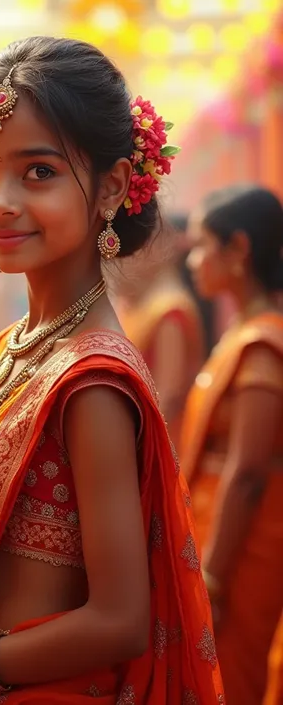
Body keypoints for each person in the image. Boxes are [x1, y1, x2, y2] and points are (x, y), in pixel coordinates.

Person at [0, 36, 223, 705]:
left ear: (111, 187)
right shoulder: (20, 343)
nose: (0, 201)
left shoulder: (89, 381)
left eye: (38, 172)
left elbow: (119, 620)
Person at [182, 185, 283, 705]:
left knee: (233, 681)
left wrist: (215, 581)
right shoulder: (244, 331)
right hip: (220, 533)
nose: (194, 260)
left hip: (245, 547)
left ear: (238, 249)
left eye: (202, 245)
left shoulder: (263, 345)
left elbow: (246, 474)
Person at [113, 214, 204, 444]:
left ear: (156, 250)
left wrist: (137, 446)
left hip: (159, 442)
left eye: (129, 250)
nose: (117, 259)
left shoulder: (170, 310)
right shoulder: (136, 304)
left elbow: (169, 397)